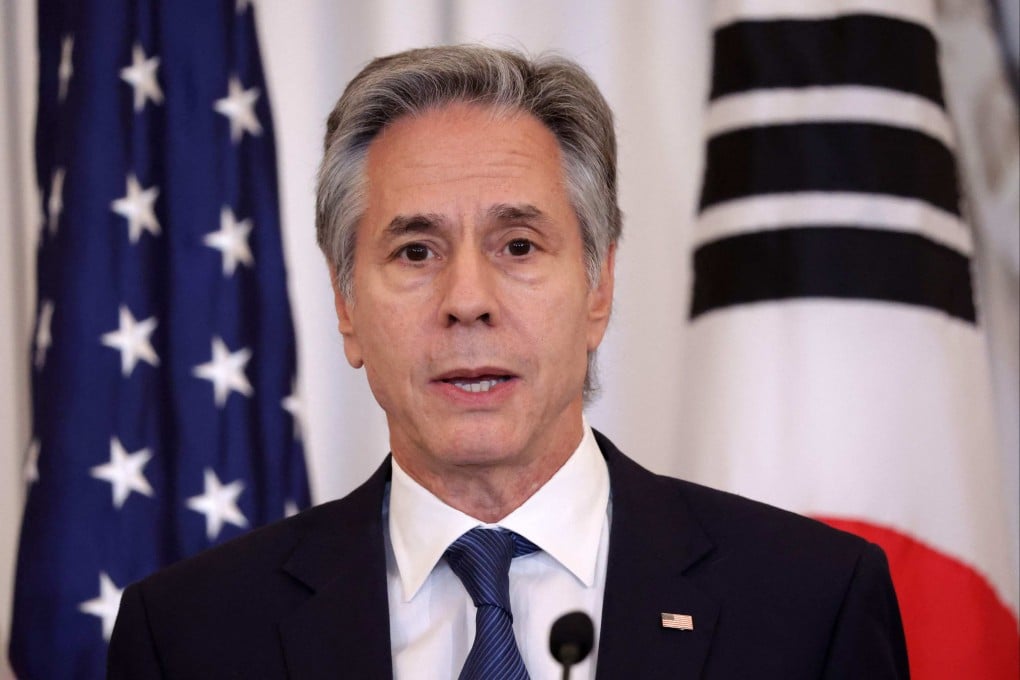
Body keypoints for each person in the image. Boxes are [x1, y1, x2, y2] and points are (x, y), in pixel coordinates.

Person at [108, 45, 909, 679]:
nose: (467, 299)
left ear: (599, 284)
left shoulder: (810, 604)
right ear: (346, 306)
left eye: (518, 245)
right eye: (415, 250)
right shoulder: (190, 636)